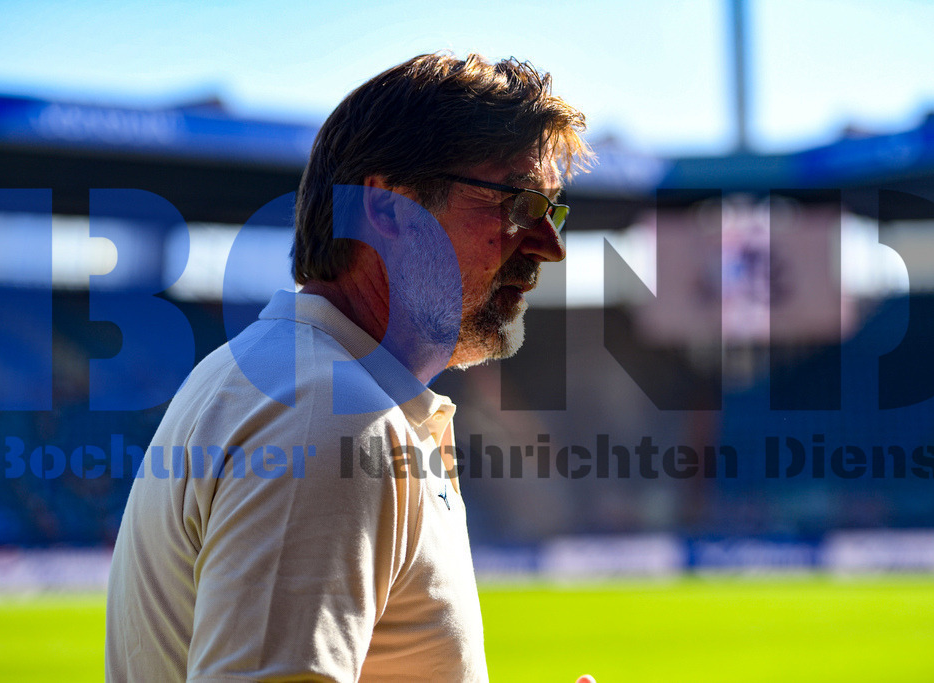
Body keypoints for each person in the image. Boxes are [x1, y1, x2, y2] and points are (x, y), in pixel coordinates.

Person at [106, 52, 591, 682]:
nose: (548, 246)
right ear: (389, 207)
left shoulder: (294, 383)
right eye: (519, 204)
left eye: (552, 212)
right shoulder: (325, 415)